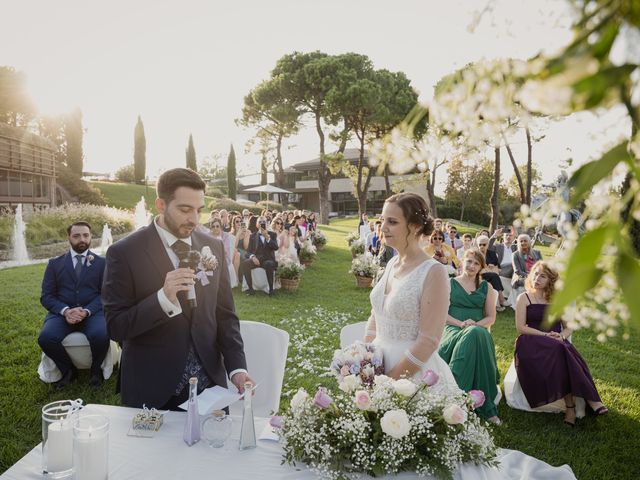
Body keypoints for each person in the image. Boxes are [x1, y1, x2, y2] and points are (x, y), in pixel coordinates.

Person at [102, 168, 252, 409]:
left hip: (209, 386)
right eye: (185, 209)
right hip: (152, 387)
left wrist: (236, 368)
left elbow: (225, 315)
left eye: (199, 210)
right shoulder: (124, 253)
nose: (194, 219)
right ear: (161, 204)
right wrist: (162, 299)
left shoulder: (212, 246)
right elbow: (116, 327)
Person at [364, 193, 459, 394]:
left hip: (411, 374)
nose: (383, 227)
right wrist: (364, 360)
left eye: (392, 221)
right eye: (382, 220)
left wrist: (389, 382)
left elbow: (429, 340)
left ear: (415, 226)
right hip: (377, 364)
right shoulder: (391, 263)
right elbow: (377, 315)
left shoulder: (433, 272)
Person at [514, 261, 608, 426]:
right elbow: (521, 328)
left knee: (562, 349)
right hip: (531, 340)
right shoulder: (524, 297)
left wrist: (562, 336)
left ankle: (576, 405)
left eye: (542, 276)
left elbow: (569, 326)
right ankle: (585, 401)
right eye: (535, 274)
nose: (537, 278)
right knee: (561, 350)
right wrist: (545, 335)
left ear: (551, 280)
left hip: (556, 340)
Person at [38, 221, 110, 389]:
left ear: (91, 237)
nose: (82, 239)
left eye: (85, 235)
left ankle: (95, 370)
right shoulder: (54, 264)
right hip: (62, 314)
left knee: (102, 334)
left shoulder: (102, 263)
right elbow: (46, 296)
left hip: (92, 312)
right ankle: (68, 371)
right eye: (76, 236)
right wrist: (65, 311)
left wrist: (86, 311)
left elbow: (105, 294)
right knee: (46, 338)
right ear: (69, 238)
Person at [438, 249, 501, 423]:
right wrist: (461, 324)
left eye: (476, 263)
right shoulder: (449, 283)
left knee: (476, 334)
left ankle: (469, 403)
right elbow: (441, 313)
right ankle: (461, 401)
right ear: (462, 262)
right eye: (469, 261)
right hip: (453, 328)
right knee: (473, 334)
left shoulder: (486, 287)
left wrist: (474, 324)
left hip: (478, 329)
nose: (471, 266)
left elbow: (491, 317)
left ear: (481, 267)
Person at [240, 216, 279, 295]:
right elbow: (248, 252)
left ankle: (271, 290)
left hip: (268, 259)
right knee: (245, 263)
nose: (262, 224)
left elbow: (276, 247)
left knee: (269, 264)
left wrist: (267, 237)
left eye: (263, 222)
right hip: (257, 260)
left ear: (267, 224)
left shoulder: (272, 234)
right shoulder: (253, 236)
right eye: (260, 222)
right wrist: (252, 257)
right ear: (257, 225)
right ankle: (250, 289)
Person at [476, 235, 507, 311]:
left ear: (488, 245)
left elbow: (499, 268)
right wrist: (484, 267)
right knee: (494, 276)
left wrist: (493, 266)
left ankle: (497, 305)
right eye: (480, 244)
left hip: (490, 275)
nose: (482, 246)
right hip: (479, 275)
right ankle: (501, 299)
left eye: (484, 244)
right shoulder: (475, 254)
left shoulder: (492, 254)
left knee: (494, 277)